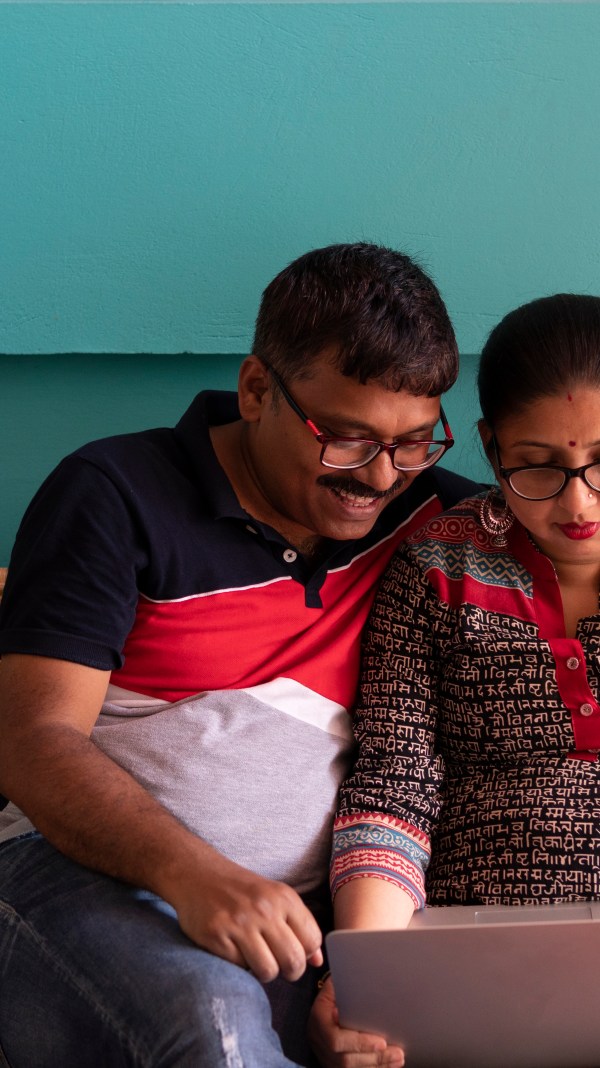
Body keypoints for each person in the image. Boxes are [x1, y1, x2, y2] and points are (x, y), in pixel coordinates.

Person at [0, 242, 477, 1068]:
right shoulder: (116, 493)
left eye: (413, 441)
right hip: (70, 880)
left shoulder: (438, 521)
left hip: (308, 918)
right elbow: (31, 741)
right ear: (258, 389)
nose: (380, 478)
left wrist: (356, 985)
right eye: (349, 439)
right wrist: (194, 876)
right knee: (210, 1014)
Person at [309, 291, 600, 1068]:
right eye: (536, 467)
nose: (578, 503)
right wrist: (367, 979)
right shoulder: (439, 565)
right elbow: (395, 783)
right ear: (489, 446)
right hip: (474, 976)